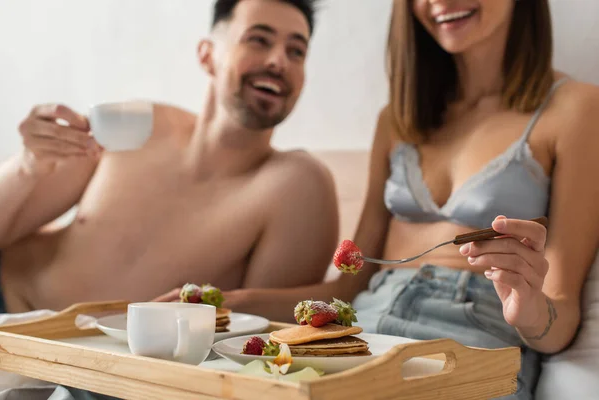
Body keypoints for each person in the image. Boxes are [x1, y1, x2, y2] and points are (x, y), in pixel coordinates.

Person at [183, 0, 599, 398]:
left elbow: (559, 324)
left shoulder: (575, 109)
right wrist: (224, 302)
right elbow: (348, 287)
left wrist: (528, 307)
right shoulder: (396, 120)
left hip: (470, 343)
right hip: (363, 334)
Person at [0, 0, 338, 314]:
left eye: (296, 51)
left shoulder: (296, 187)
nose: (279, 61)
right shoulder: (138, 124)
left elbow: (258, 344)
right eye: (259, 40)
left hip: (73, 366)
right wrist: (29, 167)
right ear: (207, 55)